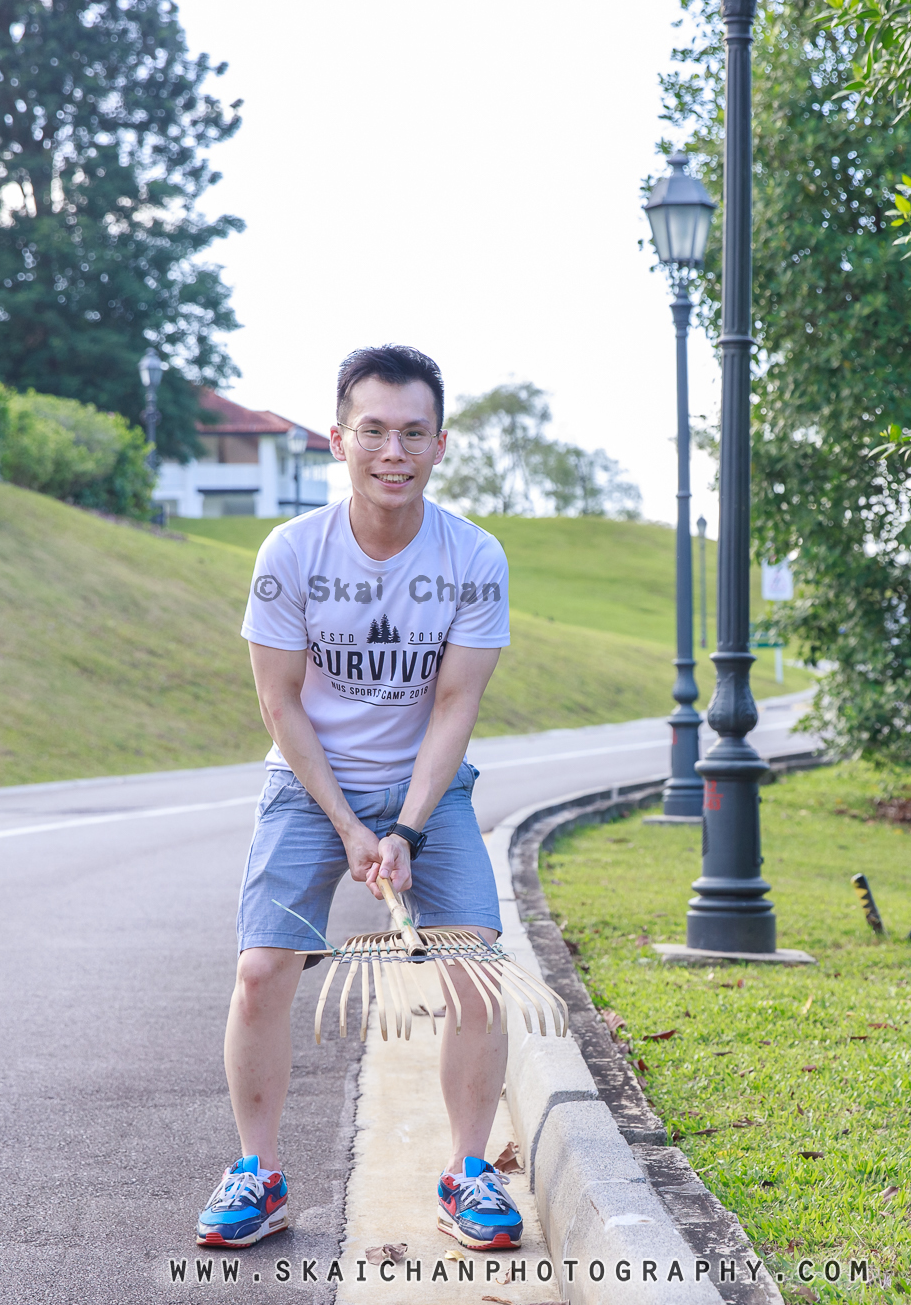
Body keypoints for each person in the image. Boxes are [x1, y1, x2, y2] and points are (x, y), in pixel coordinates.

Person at [195, 345, 522, 1254]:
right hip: (308, 784)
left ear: (440, 444)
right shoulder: (292, 551)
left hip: (429, 783)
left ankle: (468, 1171)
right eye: (373, 430)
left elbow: (456, 703)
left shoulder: (474, 555)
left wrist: (407, 826)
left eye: (413, 431)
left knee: (476, 970)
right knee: (262, 969)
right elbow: (279, 702)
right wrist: (348, 826)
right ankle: (257, 1172)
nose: (393, 449)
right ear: (339, 439)